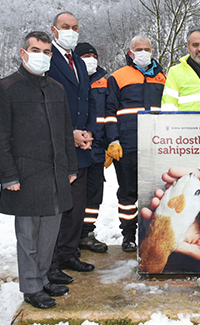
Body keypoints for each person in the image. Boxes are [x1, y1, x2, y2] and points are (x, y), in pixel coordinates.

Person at [0, 31, 77, 309]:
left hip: (55, 173)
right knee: (28, 237)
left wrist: (70, 166)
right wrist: (9, 175)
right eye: (36, 50)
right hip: (24, 176)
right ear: (23, 53)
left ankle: (42, 278)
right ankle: (30, 287)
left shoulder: (56, 88)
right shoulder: (5, 88)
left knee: (49, 234)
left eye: (47, 52)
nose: (42, 56)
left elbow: (65, 132)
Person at [104, 35, 167, 252]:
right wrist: (112, 140)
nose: (143, 52)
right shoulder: (118, 77)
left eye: (147, 48)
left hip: (156, 146)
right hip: (127, 145)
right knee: (128, 192)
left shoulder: (162, 78)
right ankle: (128, 235)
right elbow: (109, 111)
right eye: (138, 49)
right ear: (130, 53)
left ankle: (150, 233)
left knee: (154, 192)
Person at [46, 12, 95, 284]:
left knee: (77, 207)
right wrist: (70, 134)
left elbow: (85, 100)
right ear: (54, 30)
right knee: (57, 210)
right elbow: (47, 105)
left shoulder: (78, 61)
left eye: (75, 27)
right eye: (66, 27)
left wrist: (88, 131)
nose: (71, 31)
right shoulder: (47, 59)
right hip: (59, 147)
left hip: (82, 148)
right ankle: (51, 263)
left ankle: (68, 253)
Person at [74, 42, 110, 254]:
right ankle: (71, 237)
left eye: (93, 55)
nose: (90, 58)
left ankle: (87, 233)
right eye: (85, 55)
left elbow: (109, 114)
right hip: (75, 146)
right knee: (74, 195)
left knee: (94, 195)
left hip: (97, 148)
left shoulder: (104, 82)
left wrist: (105, 142)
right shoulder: (71, 81)